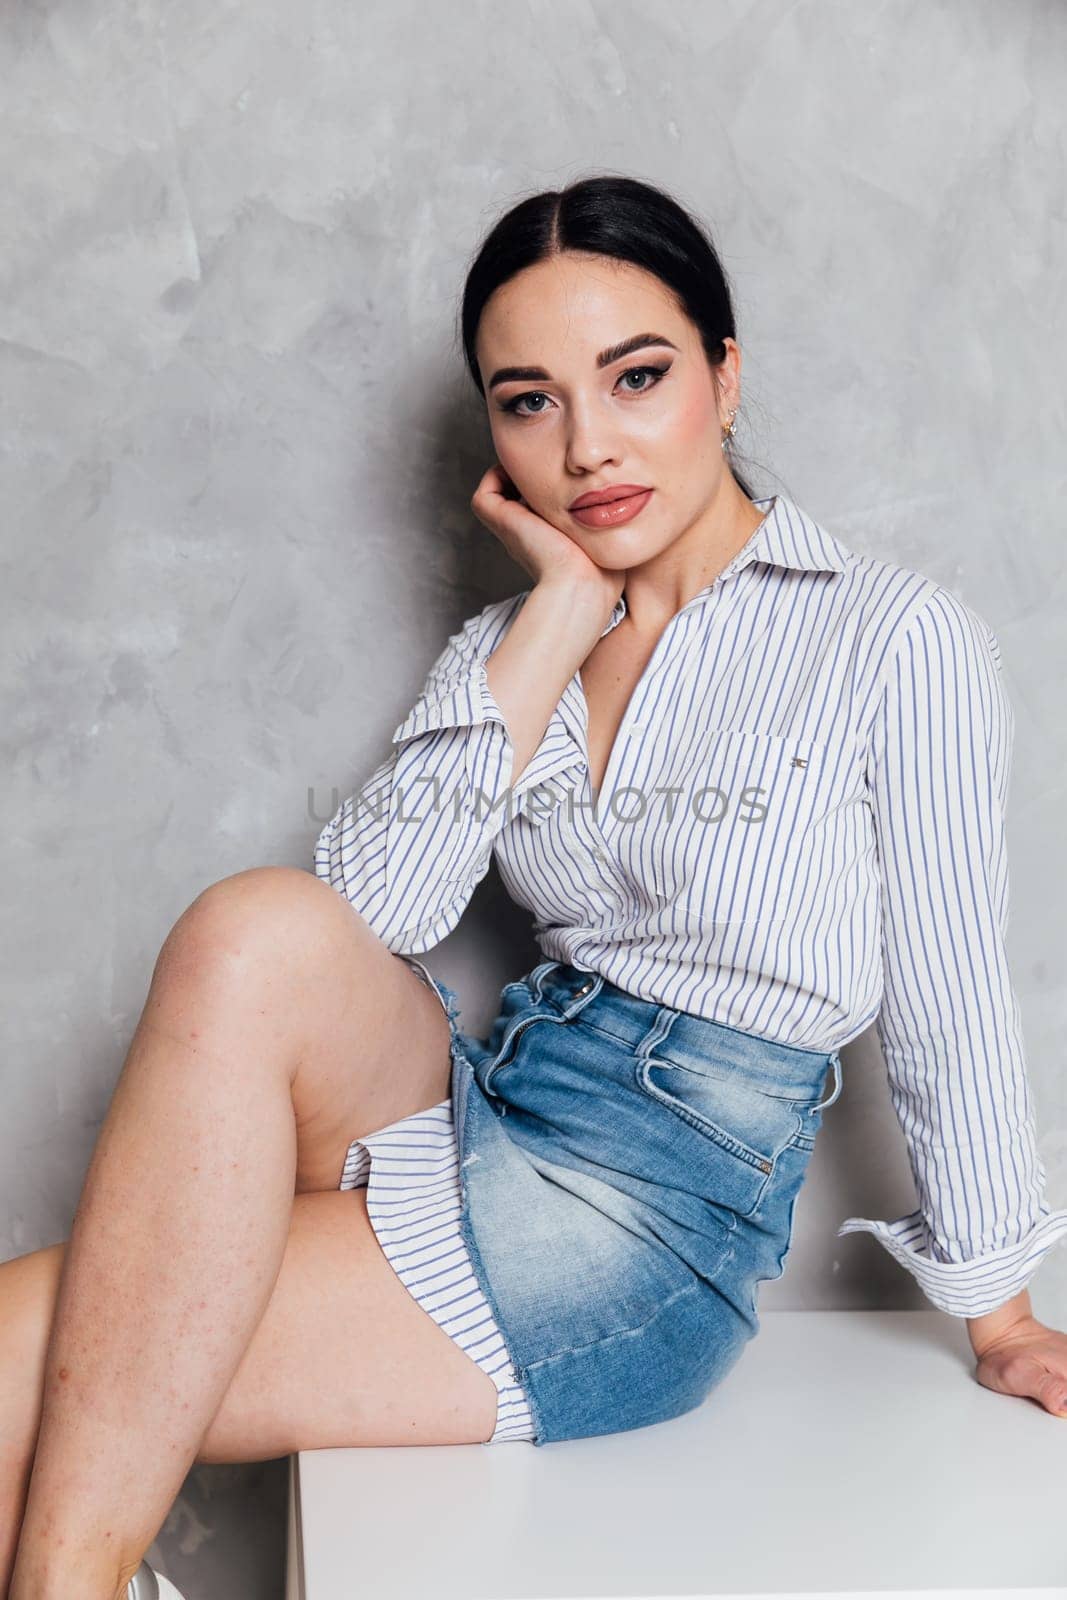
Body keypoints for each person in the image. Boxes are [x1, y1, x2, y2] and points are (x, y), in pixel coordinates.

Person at [4, 174, 1067, 1598]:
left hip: (644, 1220)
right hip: (481, 1110)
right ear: (493, 430)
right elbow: (358, 922)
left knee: (50, 1404)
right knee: (248, 929)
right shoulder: (509, 644)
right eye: (530, 401)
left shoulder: (893, 640)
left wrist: (999, 1311)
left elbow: (951, 990)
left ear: (726, 374)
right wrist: (561, 615)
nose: (588, 446)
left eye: (637, 377)